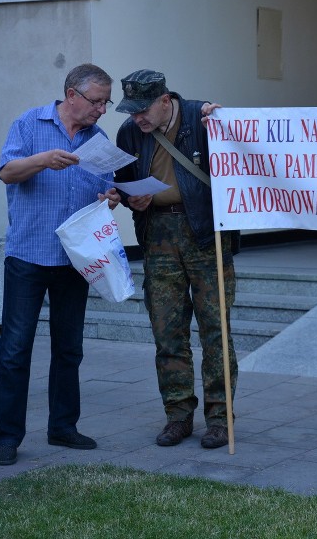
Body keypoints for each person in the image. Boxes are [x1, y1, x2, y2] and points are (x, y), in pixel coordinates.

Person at [0, 64, 121, 466]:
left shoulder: (97, 139)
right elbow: (6, 172)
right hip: (28, 255)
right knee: (15, 349)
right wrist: (43, 160)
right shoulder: (30, 124)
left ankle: (63, 428)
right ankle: (8, 438)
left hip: (74, 259)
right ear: (71, 95)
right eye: (96, 101)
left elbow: (107, 187)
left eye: (106, 102)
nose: (102, 110)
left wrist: (111, 199)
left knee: (69, 349)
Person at [114, 69, 237, 449]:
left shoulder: (205, 119)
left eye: (143, 110)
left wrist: (227, 122)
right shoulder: (130, 133)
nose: (137, 119)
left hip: (206, 235)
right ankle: (177, 415)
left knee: (216, 331)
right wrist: (132, 199)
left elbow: (242, 160)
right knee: (167, 331)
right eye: (132, 111)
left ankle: (220, 418)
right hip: (158, 237)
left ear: (165, 100)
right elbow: (122, 181)